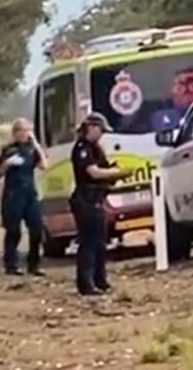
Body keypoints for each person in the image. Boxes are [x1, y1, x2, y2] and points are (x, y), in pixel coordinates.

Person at [70, 112, 132, 295]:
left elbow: (104, 168)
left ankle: (100, 280)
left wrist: (115, 170)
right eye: (101, 130)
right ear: (92, 127)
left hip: (97, 199)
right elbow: (94, 173)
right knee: (88, 242)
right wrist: (115, 173)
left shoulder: (96, 148)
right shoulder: (82, 148)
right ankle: (86, 283)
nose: (102, 134)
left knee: (99, 242)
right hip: (85, 200)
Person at [0, 118, 47, 277]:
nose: (24, 134)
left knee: (37, 228)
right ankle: (11, 265)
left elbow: (44, 166)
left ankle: (34, 264)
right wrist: (7, 164)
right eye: (20, 131)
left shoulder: (32, 149)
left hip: (30, 193)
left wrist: (37, 145)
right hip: (13, 194)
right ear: (14, 133)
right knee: (13, 231)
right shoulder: (7, 149)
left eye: (26, 130)